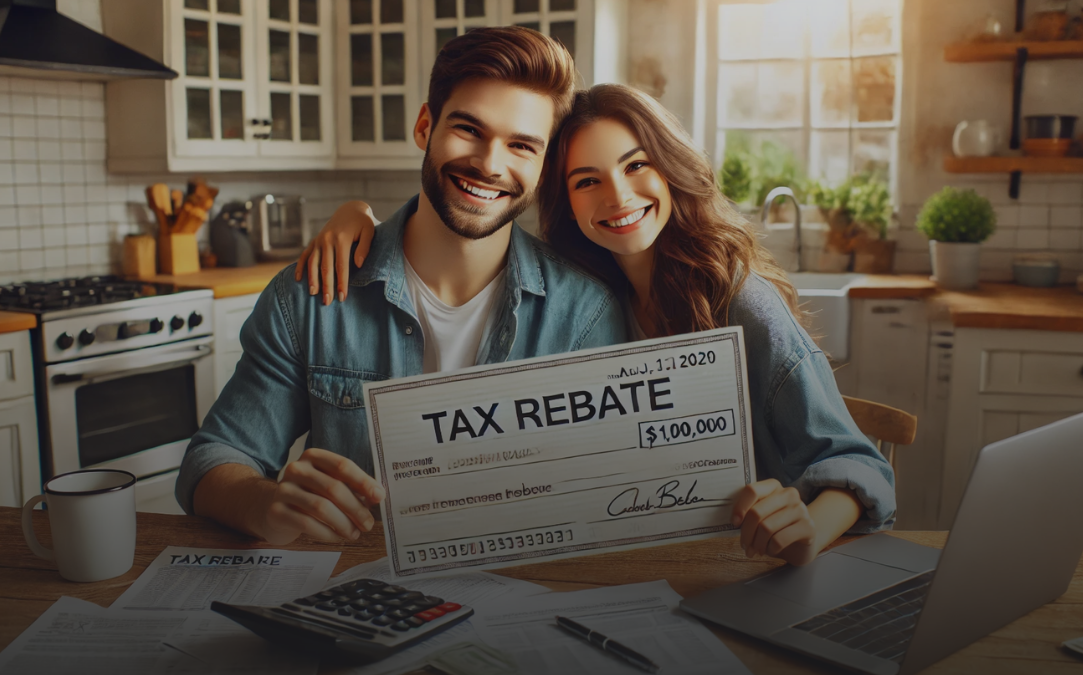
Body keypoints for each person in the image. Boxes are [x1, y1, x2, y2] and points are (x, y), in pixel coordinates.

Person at [297, 84, 897, 566]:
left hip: (734, 569)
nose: (617, 196)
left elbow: (859, 463)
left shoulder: (740, 302)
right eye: (587, 181)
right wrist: (359, 216)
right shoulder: (579, 297)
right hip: (620, 566)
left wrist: (807, 532)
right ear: (563, 200)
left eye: (637, 166)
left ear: (673, 171)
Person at [176, 27, 627, 545]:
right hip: (352, 598)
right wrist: (263, 502)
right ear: (424, 125)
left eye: (521, 146)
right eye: (469, 129)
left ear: (544, 167)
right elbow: (212, 459)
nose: (489, 163)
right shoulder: (312, 296)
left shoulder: (586, 312)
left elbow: (609, 486)